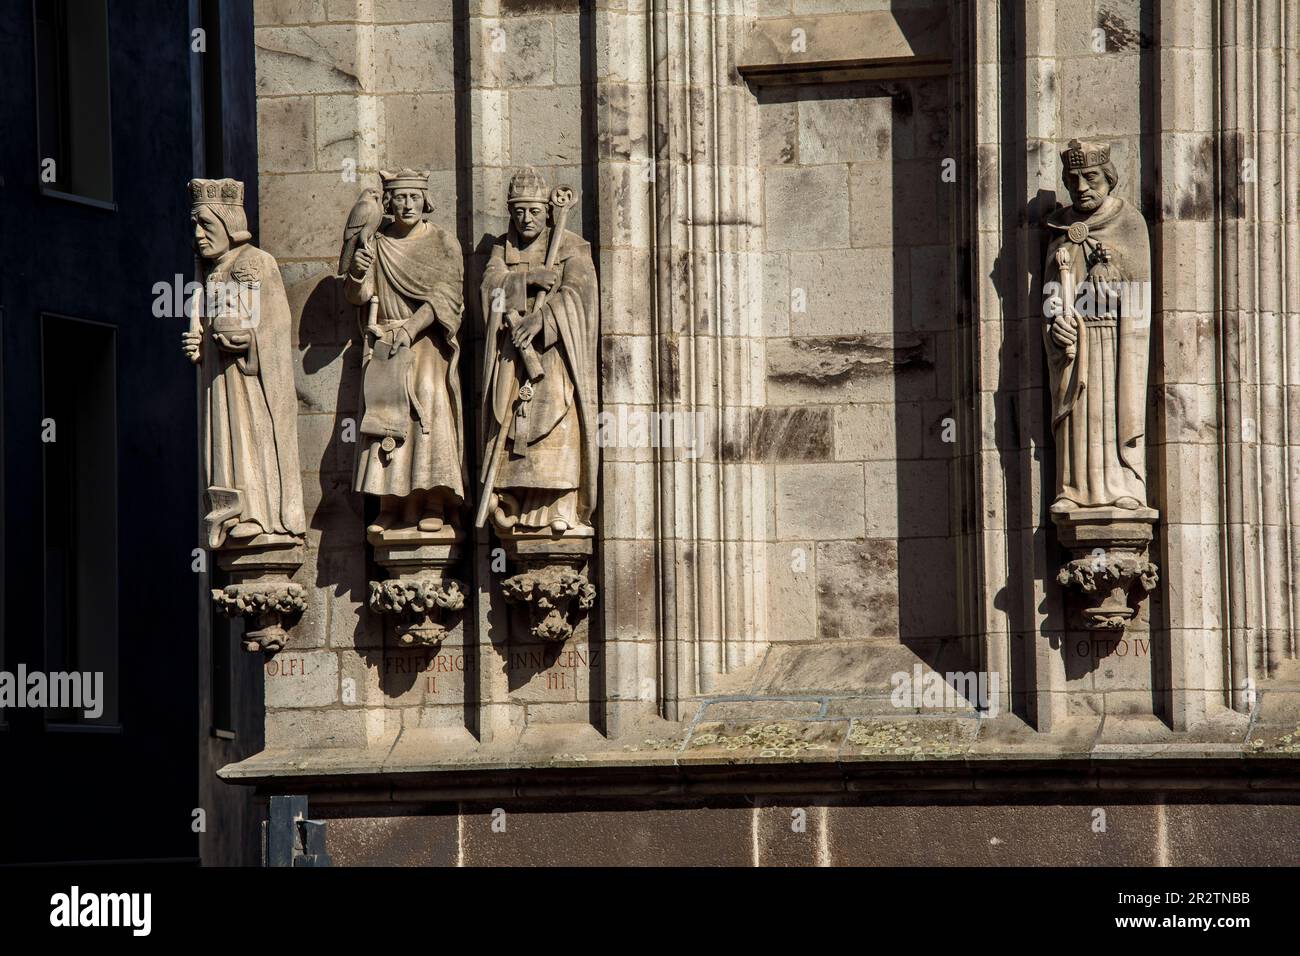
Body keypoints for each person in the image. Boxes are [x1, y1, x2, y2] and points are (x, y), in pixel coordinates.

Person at [181, 178, 305, 549]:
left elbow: (277, 325)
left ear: (229, 224)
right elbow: (205, 324)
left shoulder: (256, 262)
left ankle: (258, 512)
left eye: (206, 224)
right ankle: (231, 509)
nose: (199, 234)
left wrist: (250, 341)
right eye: (195, 227)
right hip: (219, 379)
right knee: (224, 442)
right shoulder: (206, 274)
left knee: (250, 435)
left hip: (250, 379)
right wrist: (198, 343)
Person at [342, 169, 466, 533]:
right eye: (399, 198)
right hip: (386, 341)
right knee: (385, 414)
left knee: (427, 404)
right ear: (388, 203)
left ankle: (432, 501)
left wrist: (411, 329)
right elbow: (358, 297)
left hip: (427, 342)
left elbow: (449, 297)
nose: (407, 204)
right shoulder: (378, 244)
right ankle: (390, 504)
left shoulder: (444, 242)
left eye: (414, 197)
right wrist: (356, 273)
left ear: (425, 201)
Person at [479, 167, 599, 533]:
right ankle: (516, 503)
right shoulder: (503, 249)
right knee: (514, 428)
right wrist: (527, 279)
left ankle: (562, 506)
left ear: (548, 211)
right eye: (518, 211)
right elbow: (489, 291)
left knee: (557, 425)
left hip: (555, 358)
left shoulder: (571, 246)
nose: (525, 219)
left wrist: (542, 319)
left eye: (533, 211)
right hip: (513, 361)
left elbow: (580, 295)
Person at [1043, 140, 1152, 513]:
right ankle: (1072, 488)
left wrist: (1114, 275)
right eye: (1073, 180)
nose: (1081, 187)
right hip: (1078, 339)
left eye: (1090, 177)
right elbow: (1053, 294)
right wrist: (1055, 326)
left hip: (1114, 339)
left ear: (1108, 178)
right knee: (1079, 413)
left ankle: (1123, 483)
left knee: (1109, 410)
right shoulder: (1060, 231)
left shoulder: (1128, 223)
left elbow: (1140, 291)